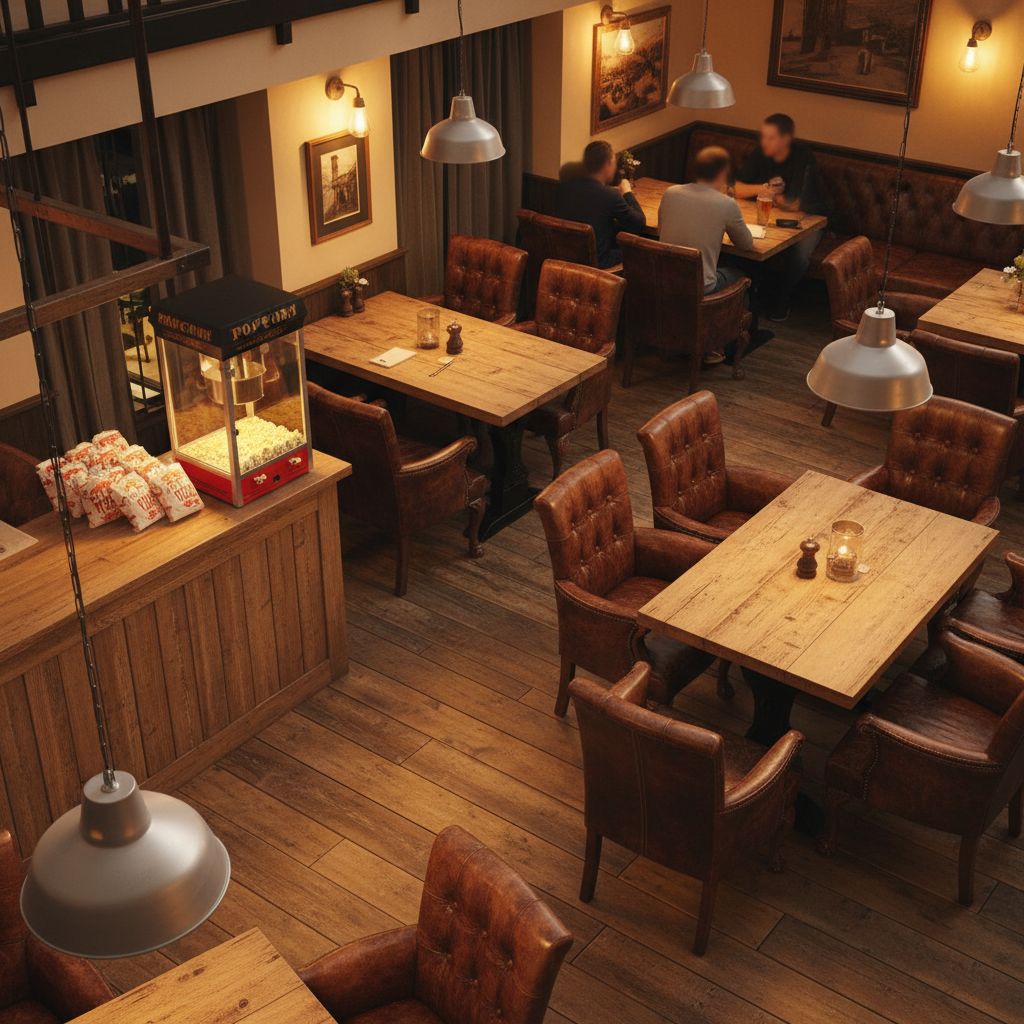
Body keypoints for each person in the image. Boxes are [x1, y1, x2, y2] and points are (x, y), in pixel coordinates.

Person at [658, 147, 753, 365]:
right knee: (740, 276)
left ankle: (680, 336)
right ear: (722, 174)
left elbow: (661, 228)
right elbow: (746, 244)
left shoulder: (670, 193)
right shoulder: (726, 204)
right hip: (700, 285)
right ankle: (714, 344)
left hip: (663, 280)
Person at [736, 113, 830, 321]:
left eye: (771, 138)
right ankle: (750, 300)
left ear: (786, 139)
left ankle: (782, 300)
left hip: (810, 220)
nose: (764, 142)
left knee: (800, 255)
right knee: (744, 241)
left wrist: (775, 194)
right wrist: (764, 188)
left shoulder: (803, 157)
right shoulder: (760, 153)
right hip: (766, 215)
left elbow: (796, 205)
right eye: (763, 136)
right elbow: (738, 189)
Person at [555, 140, 645, 268]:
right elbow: (638, 224)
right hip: (597, 262)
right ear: (607, 165)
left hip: (567, 257)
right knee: (638, 251)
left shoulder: (566, 187)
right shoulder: (609, 196)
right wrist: (627, 192)